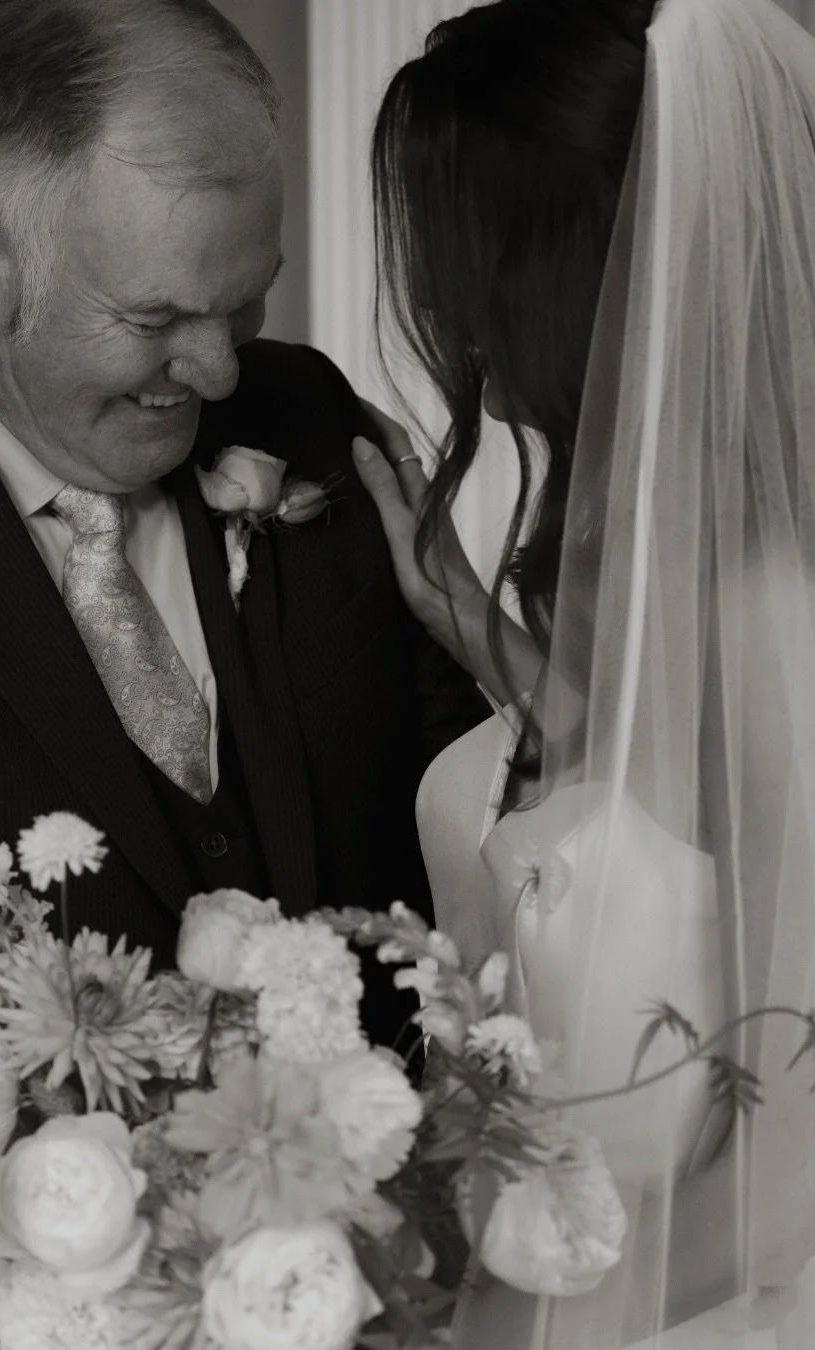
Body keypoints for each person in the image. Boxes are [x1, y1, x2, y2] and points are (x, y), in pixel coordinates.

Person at [0, 0, 483, 1273]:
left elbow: (455, 816)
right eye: (157, 320)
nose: (220, 371)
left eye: (244, 305)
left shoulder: (307, 420)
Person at [354, 0, 815, 1345]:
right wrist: (465, 613)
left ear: (541, 262)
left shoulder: (769, 605)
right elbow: (650, 808)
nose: (430, 299)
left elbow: (796, 1145)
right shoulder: (628, 560)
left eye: (444, 242)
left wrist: (514, 1326)